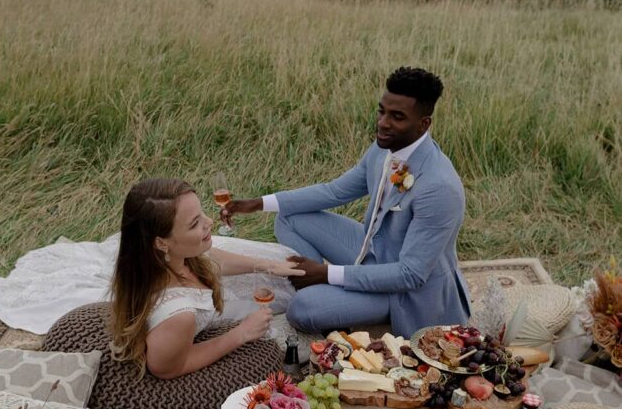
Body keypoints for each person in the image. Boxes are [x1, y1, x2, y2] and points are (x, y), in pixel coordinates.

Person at [223, 66, 470, 337]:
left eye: (397, 117)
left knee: (301, 310)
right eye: (382, 111)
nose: (383, 123)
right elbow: (335, 191)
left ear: (424, 124)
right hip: (370, 253)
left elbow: (410, 275)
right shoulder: (384, 147)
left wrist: (327, 273)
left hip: (405, 291)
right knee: (289, 216)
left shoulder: (439, 188)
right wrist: (259, 203)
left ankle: (327, 294)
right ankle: (326, 291)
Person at [110, 178, 303, 378]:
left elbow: (209, 258)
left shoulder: (167, 258)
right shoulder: (178, 314)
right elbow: (166, 368)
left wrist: (268, 266)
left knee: (278, 261)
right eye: (195, 223)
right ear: (160, 243)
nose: (210, 221)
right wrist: (241, 333)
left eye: (201, 214)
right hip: (184, 365)